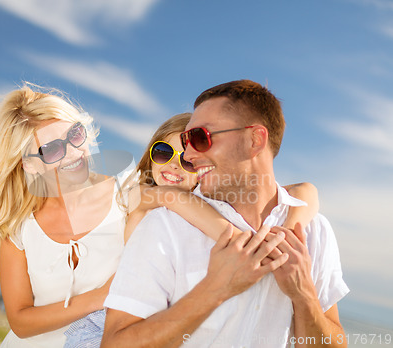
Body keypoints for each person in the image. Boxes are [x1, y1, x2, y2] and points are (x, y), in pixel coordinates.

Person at [102, 80, 349, 347]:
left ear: (254, 140)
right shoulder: (164, 224)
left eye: (200, 138)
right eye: (186, 141)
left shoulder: (314, 231)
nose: (189, 154)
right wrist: (215, 289)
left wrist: (305, 298)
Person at [64, 112, 319, 347]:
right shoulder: (142, 195)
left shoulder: (211, 206)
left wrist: (283, 233)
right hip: (110, 329)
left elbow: (306, 190)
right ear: (150, 153)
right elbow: (176, 199)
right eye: (164, 152)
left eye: (187, 161)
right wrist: (254, 246)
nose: (174, 165)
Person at [0, 85, 133, 347]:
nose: (73, 153)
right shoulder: (17, 226)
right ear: (30, 163)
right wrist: (100, 296)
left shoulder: (128, 196)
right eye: (52, 149)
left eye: (75, 134)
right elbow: (21, 322)